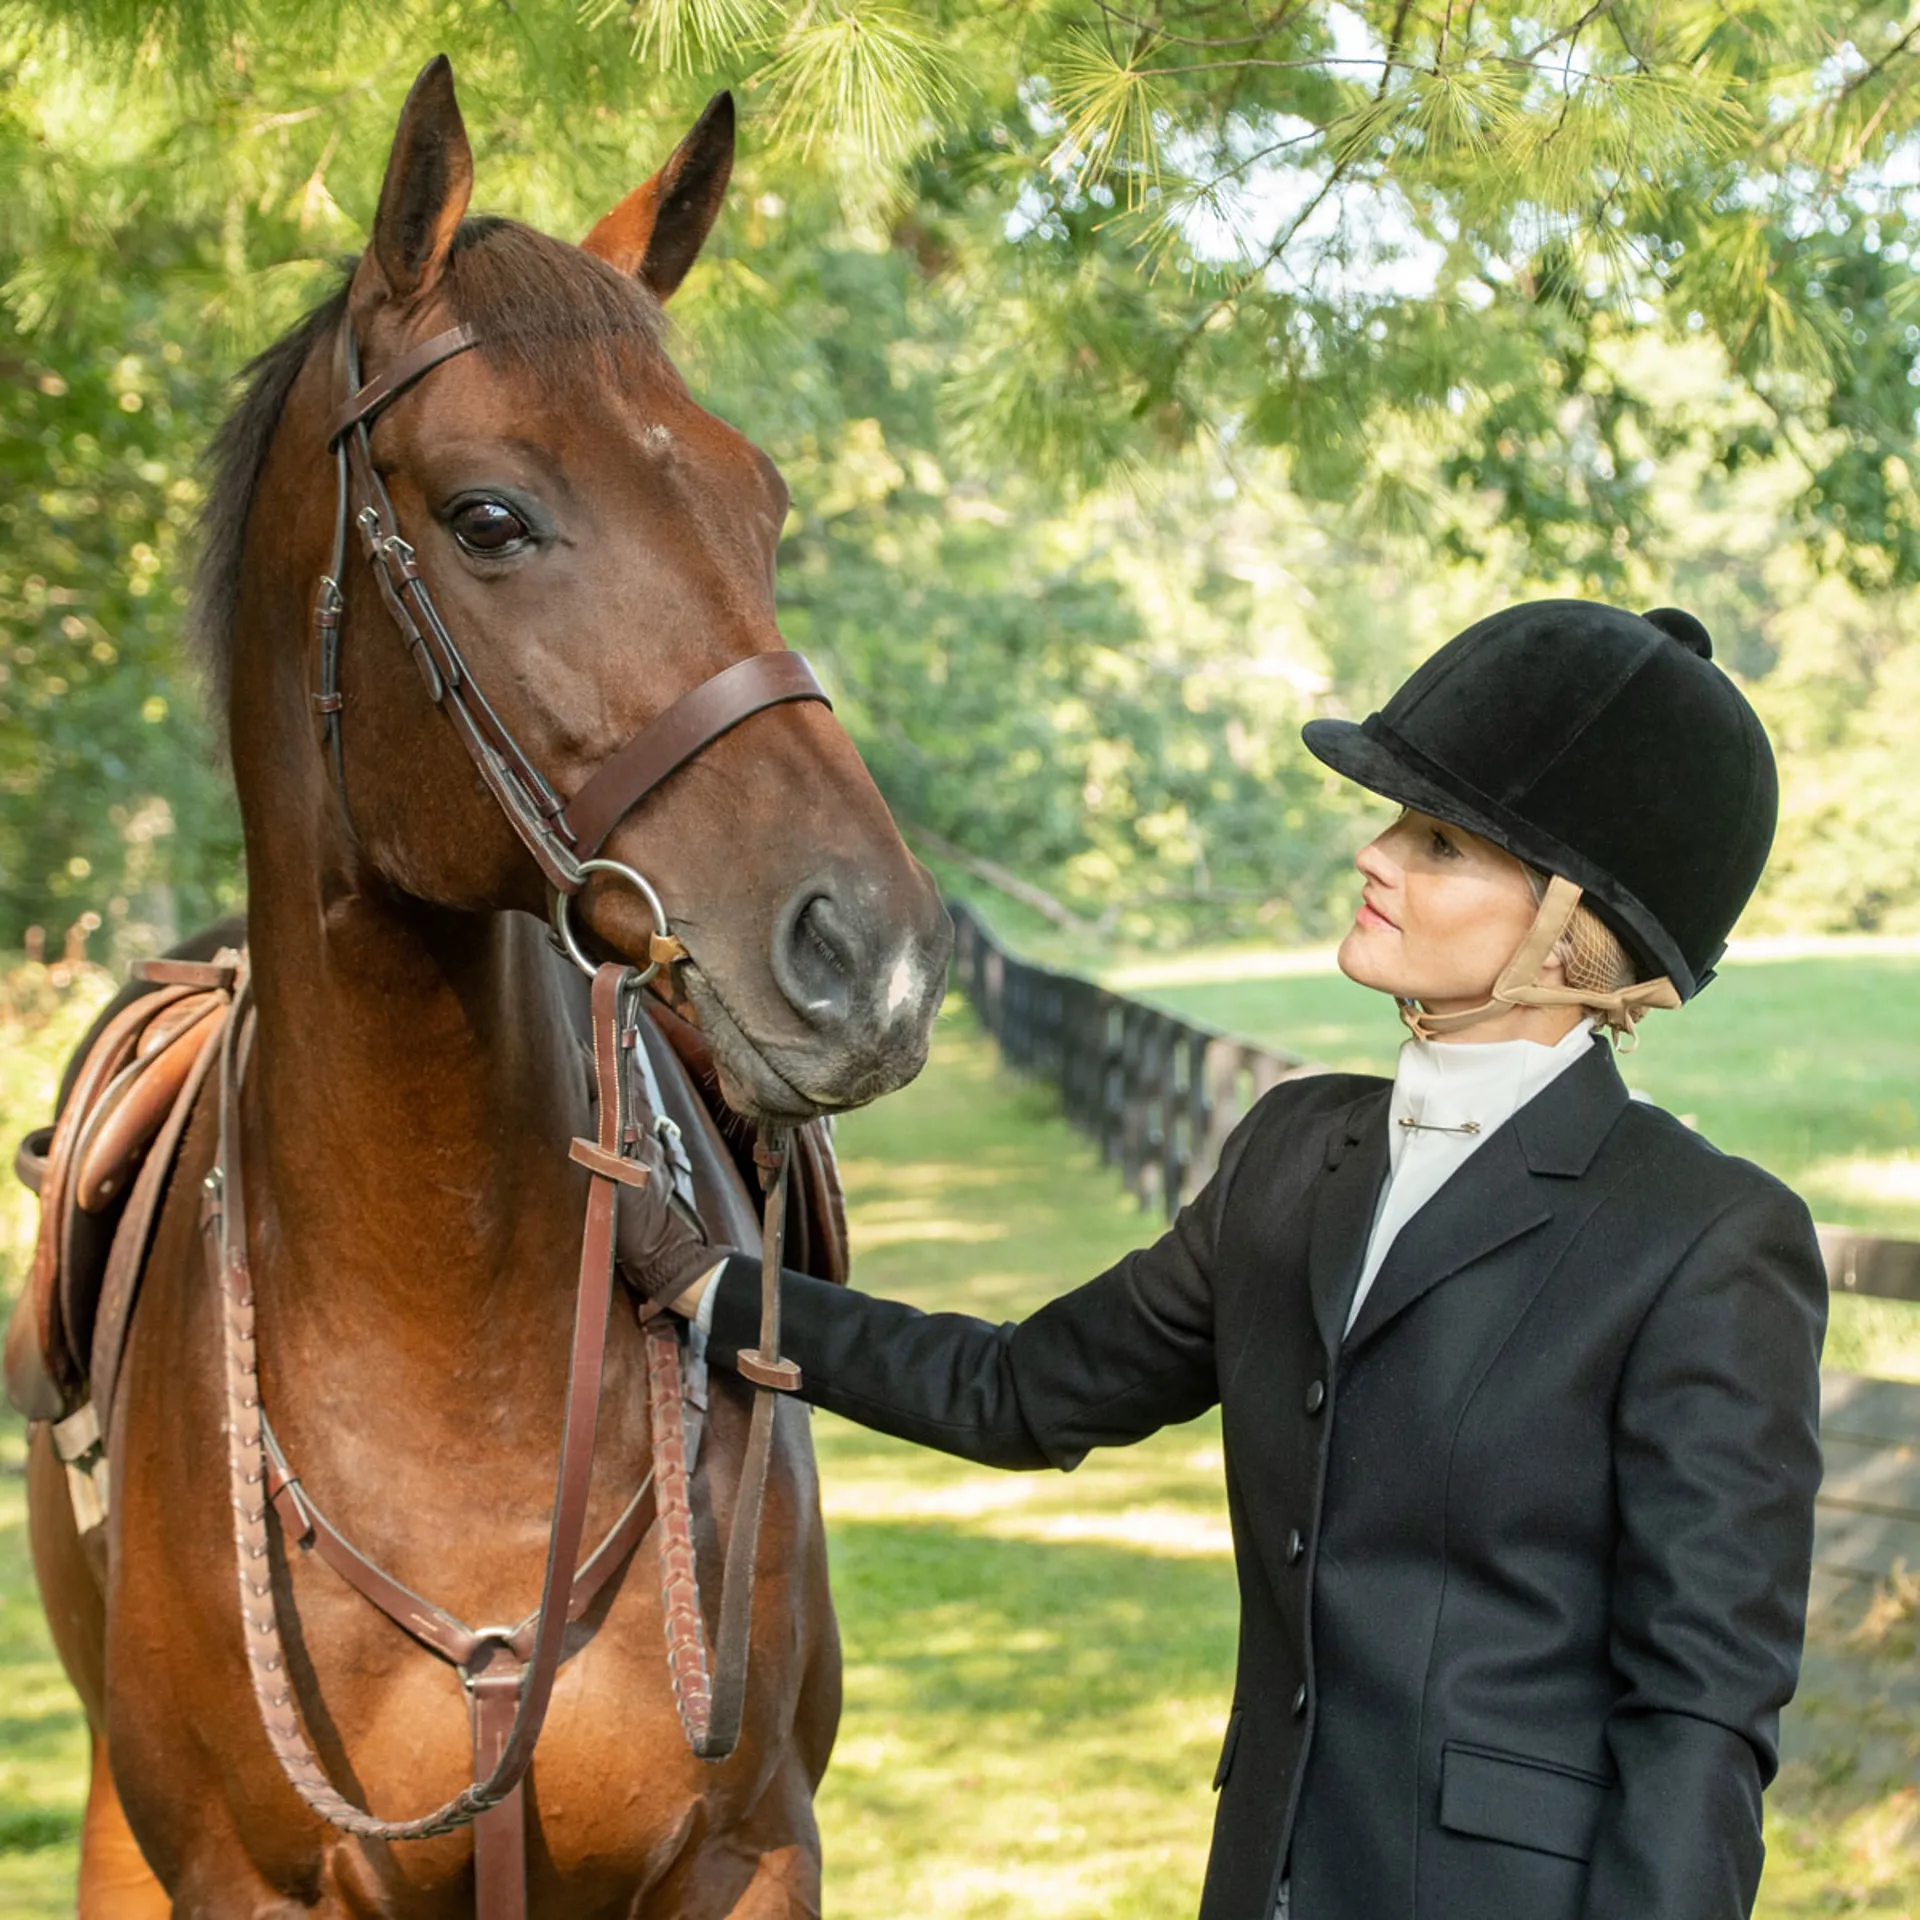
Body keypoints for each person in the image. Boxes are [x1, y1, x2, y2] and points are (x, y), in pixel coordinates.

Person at [622, 600, 1828, 1920]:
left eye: (1438, 842)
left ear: (1571, 927)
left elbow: (1698, 1724)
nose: (1374, 853)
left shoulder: (1705, 1242)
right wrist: (712, 1286)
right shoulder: (1293, 1155)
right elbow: (1023, 1390)